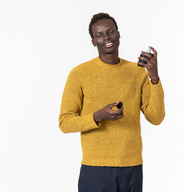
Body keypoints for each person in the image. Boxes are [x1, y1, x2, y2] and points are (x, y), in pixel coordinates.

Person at [59, 12, 165, 192]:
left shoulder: (138, 72)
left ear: (118, 34)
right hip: (95, 168)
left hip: (131, 166)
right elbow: (65, 122)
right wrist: (98, 116)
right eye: (99, 35)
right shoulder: (79, 74)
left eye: (110, 32)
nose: (106, 37)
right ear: (93, 41)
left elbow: (156, 118)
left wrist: (153, 77)